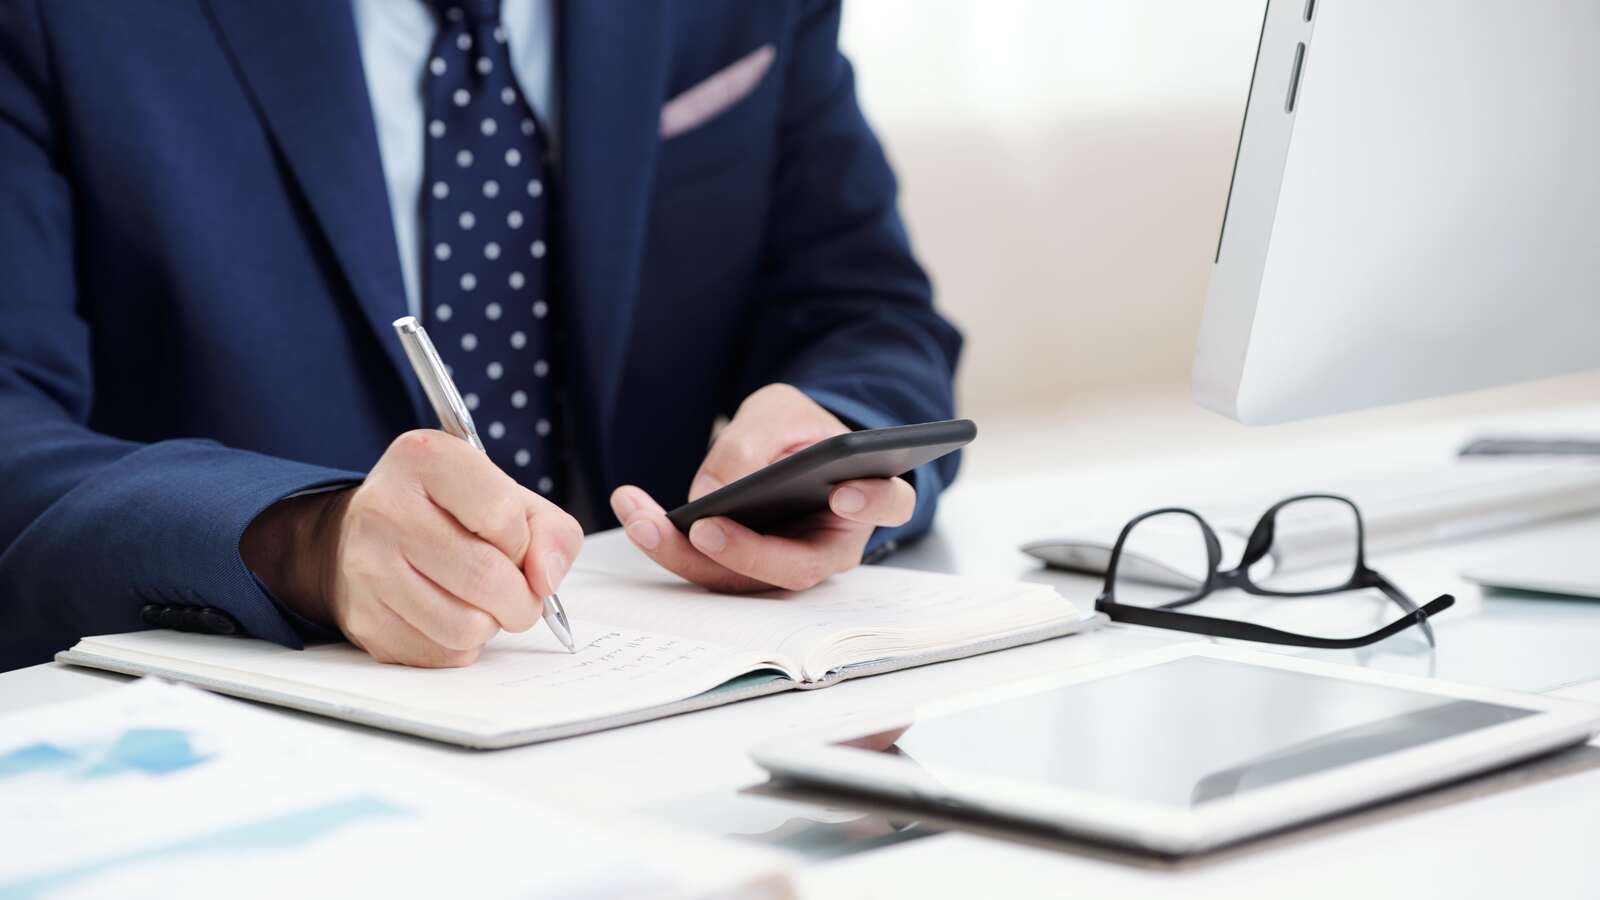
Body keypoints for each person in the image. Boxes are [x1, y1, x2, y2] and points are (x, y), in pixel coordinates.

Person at [0, 0, 962, 671]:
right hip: (237, 741)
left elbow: (865, 312)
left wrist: (825, 452)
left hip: (676, 693)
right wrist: (302, 538)